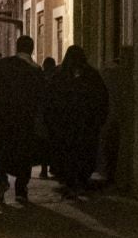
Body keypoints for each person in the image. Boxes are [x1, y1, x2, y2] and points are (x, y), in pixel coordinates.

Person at [0, 34, 45, 203]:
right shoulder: (35, 70)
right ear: (31, 49)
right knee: (23, 153)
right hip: (25, 119)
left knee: (1, 150)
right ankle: (21, 189)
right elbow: (41, 95)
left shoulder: (4, 64)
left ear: (17, 48)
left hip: (3, 116)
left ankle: (1, 182)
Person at [44, 45, 110, 197]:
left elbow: (50, 101)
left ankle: (71, 182)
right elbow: (102, 99)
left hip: (66, 126)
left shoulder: (60, 75)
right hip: (84, 125)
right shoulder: (91, 75)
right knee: (83, 153)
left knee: (68, 154)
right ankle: (78, 181)